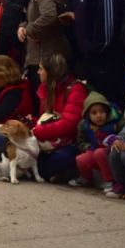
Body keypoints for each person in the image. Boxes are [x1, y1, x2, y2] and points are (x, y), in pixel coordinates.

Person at [65, 0, 125, 109]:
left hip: (106, 61)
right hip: (90, 60)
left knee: (108, 109)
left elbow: (108, 22)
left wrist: (94, 51)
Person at [18, 0, 72, 115]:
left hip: (45, 56)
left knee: (45, 104)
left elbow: (49, 16)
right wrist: (23, 25)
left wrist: (29, 30)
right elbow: (34, 17)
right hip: (42, 54)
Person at [32, 54, 87, 182]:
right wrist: (32, 122)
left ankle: (69, 171)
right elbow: (46, 118)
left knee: (58, 159)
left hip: (69, 142)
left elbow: (69, 124)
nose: (38, 72)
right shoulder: (46, 89)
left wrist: (37, 131)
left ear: (51, 72)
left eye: (41, 69)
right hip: (50, 140)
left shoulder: (75, 89)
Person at [69, 91, 125, 191]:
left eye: (102, 111)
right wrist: (88, 147)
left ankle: (110, 182)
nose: (99, 115)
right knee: (80, 159)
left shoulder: (117, 122)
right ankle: (86, 179)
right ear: (87, 115)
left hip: (113, 153)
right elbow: (81, 142)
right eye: (94, 113)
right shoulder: (84, 125)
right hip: (95, 150)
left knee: (99, 153)